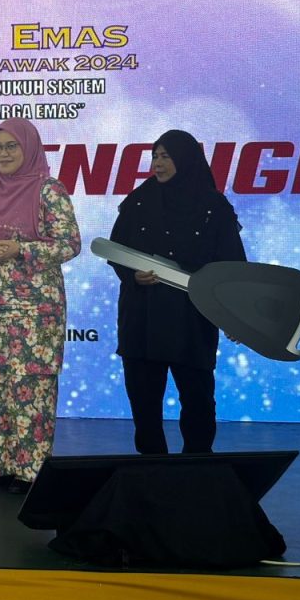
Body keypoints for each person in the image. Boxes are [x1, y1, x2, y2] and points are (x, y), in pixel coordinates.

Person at [0, 118, 81, 494]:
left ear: (29, 149)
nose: (5, 153)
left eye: (12, 146)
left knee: (32, 383)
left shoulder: (49, 190)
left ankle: (31, 470)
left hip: (37, 308)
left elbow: (69, 243)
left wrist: (20, 249)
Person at [108, 129, 247, 454]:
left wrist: (235, 314)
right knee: (144, 402)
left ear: (186, 160)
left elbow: (232, 265)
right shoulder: (138, 201)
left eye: (166, 156)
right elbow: (116, 252)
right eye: (155, 156)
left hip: (192, 318)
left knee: (198, 399)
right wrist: (132, 275)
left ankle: (196, 466)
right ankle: (152, 467)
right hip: (142, 317)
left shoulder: (213, 206)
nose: (158, 163)